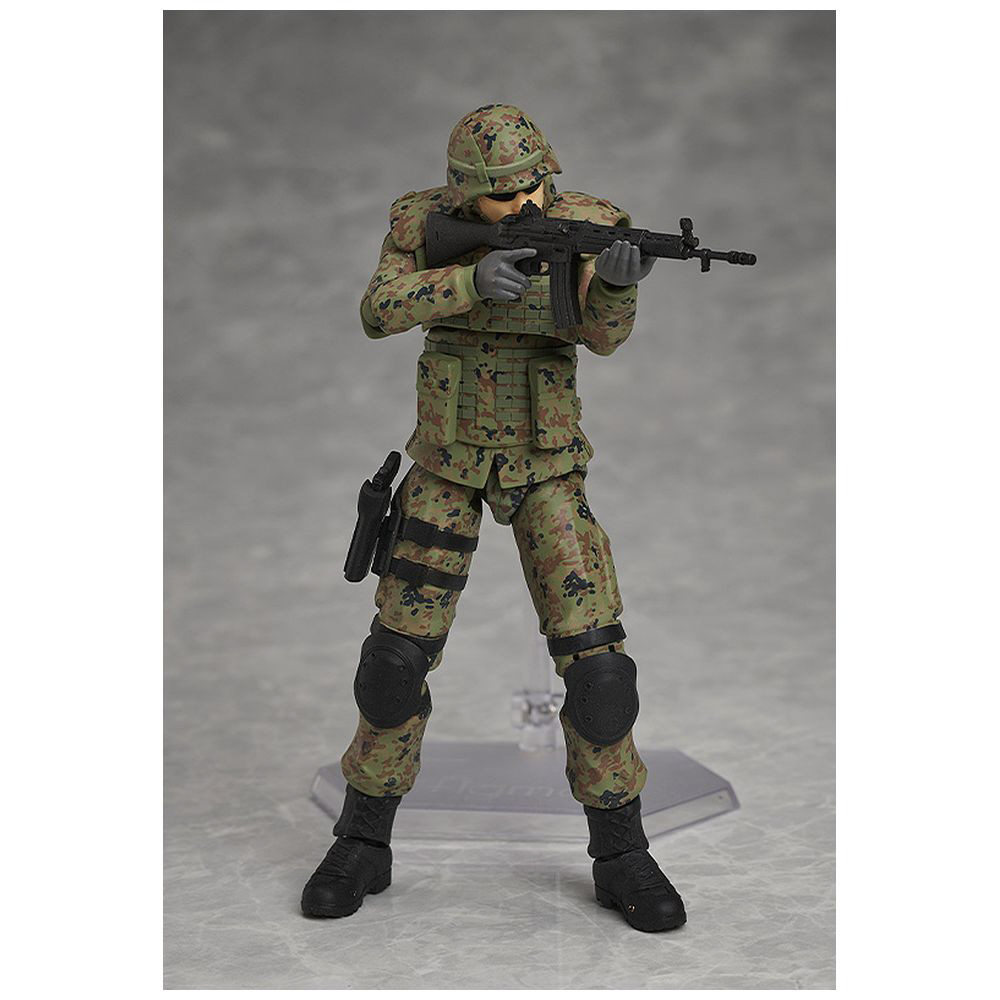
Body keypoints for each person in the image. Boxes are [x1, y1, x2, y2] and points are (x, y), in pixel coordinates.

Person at [301, 104, 685, 932]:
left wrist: (616, 284)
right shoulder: (421, 222)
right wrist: (468, 282)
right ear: (462, 193)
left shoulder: (589, 221)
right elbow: (377, 311)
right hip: (446, 461)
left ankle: (621, 851)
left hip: (545, 463)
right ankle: (362, 838)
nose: (523, 205)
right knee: (394, 662)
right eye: (501, 197)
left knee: (599, 672)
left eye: (532, 187)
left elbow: (602, 338)